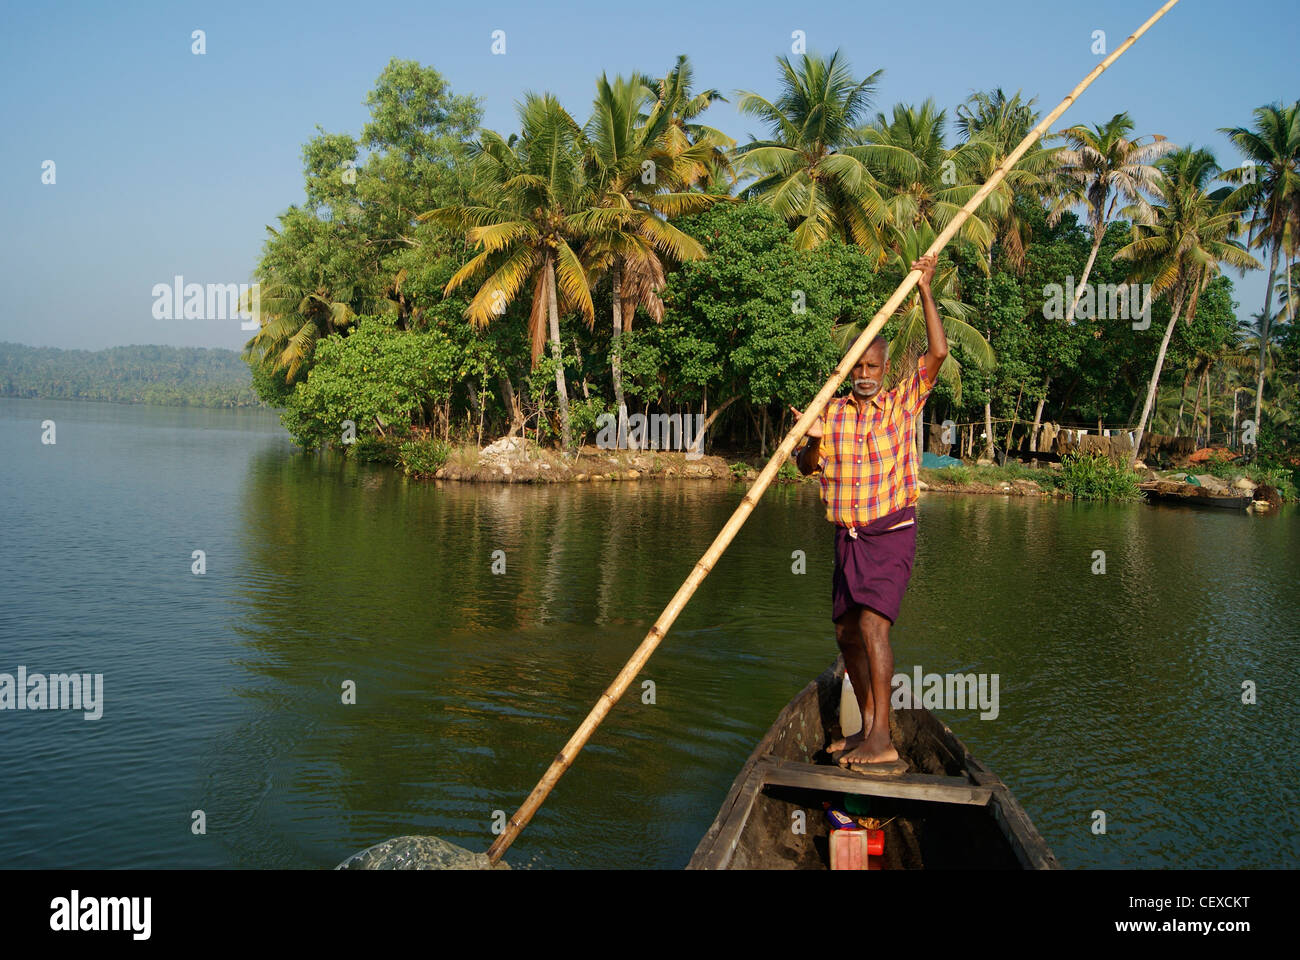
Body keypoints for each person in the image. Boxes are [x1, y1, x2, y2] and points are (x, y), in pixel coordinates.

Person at [794, 254, 947, 768]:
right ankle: (865, 729)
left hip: (890, 530)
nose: (864, 375)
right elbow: (805, 467)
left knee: (875, 627)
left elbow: (938, 353)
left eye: (872, 367)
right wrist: (809, 439)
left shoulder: (903, 403)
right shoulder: (831, 412)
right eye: (857, 366)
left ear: (885, 370)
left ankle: (882, 738)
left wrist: (924, 289)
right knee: (845, 633)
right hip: (847, 536)